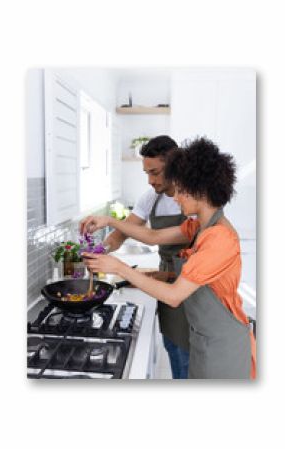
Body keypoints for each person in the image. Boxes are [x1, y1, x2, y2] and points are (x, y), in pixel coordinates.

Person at [80, 137, 256, 379]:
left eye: (181, 190)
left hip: (222, 346)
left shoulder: (219, 238)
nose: (175, 197)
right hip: (205, 336)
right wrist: (110, 222)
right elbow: (154, 236)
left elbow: (174, 297)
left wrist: (119, 267)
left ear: (199, 190)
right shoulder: (199, 226)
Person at [80, 135, 190, 379]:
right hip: (165, 280)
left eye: (155, 172)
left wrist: (109, 220)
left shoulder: (192, 198)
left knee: (190, 353)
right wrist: (100, 250)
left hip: (192, 283)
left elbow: (153, 236)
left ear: (174, 166)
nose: (150, 180)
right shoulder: (152, 197)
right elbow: (120, 235)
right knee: (173, 345)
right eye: (146, 173)